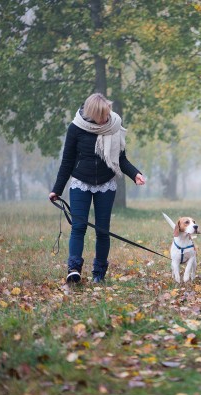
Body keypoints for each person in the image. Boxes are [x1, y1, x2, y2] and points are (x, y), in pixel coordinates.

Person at [49, 93, 146, 284]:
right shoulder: (76, 128)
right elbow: (67, 161)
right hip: (80, 183)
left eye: (107, 114)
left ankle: (99, 274)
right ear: (91, 113)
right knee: (78, 227)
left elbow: (121, 159)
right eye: (101, 115)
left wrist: (135, 174)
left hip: (106, 184)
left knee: (103, 231)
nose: (105, 118)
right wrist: (57, 190)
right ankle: (74, 270)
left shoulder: (114, 127)